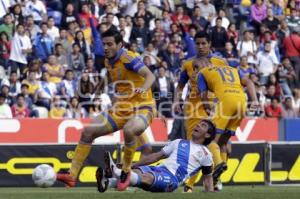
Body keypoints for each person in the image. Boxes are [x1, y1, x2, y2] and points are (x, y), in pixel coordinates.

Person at [57, 29, 155, 191]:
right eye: (104, 44)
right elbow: (114, 79)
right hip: (120, 110)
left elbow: (150, 76)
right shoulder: (108, 61)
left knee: (130, 130)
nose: (106, 47)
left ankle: (126, 172)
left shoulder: (128, 58)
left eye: (110, 44)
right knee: (88, 132)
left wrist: (144, 89)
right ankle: (72, 175)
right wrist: (105, 91)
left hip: (143, 108)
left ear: (120, 45)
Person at [173, 31, 228, 192]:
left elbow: (226, 84)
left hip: (212, 107)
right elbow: (180, 86)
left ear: (210, 44)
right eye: (198, 43)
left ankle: (216, 169)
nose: (201, 46)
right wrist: (176, 101)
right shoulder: (188, 64)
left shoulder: (220, 62)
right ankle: (197, 182)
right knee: (196, 148)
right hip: (193, 109)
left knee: (211, 143)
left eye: (204, 43)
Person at [96, 120, 216, 193]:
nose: (198, 125)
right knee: (136, 171)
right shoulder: (179, 142)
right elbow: (156, 156)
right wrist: (132, 165)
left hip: (172, 179)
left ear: (208, 135)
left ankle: (115, 171)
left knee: (146, 177)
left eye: (203, 125)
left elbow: (208, 177)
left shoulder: (206, 154)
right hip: (158, 168)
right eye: (199, 124)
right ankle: (108, 181)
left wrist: (210, 193)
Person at [197, 56, 259, 189]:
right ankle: (217, 180)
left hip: (225, 101)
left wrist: (209, 109)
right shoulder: (233, 69)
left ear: (204, 64)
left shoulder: (202, 73)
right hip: (241, 102)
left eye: (196, 67)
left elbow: (203, 96)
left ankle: (219, 164)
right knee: (223, 142)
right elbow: (249, 82)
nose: (196, 70)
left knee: (209, 139)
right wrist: (255, 100)